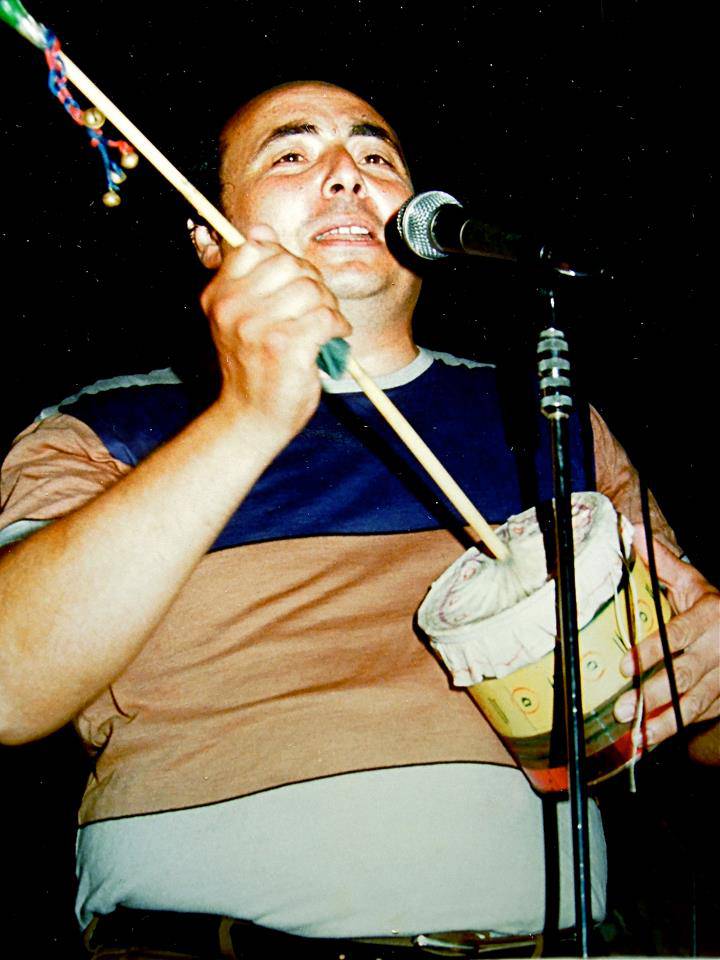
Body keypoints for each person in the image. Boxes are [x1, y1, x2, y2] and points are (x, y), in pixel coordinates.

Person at [0, 81, 717, 960]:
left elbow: (687, 719)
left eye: (376, 156)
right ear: (205, 232)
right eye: (292, 155)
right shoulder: (104, 428)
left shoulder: (549, 419)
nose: (346, 173)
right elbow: (10, 685)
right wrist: (251, 416)